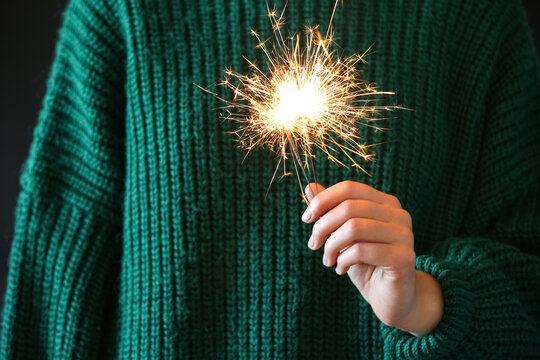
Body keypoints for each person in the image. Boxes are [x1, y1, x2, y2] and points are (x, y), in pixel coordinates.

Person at [1, 0, 539, 358]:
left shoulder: (472, 19)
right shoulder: (122, 13)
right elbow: (53, 291)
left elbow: (528, 289)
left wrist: (427, 301)